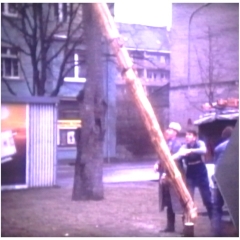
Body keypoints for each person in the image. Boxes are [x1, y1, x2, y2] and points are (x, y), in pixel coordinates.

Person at [172, 129, 213, 221]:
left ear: (195, 137)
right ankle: (188, 225)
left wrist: (190, 151)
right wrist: (168, 159)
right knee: (188, 199)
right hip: (190, 172)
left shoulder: (200, 143)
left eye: (189, 134)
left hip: (201, 171)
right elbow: (178, 155)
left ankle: (214, 222)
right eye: (186, 135)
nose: (187, 136)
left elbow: (204, 150)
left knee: (207, 199)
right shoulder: (184, 146)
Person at [154, 122, 184, 233]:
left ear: (175, 133)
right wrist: (157, 163)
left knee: (177, 202)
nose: (168, 131)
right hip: (165, 176)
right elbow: (162, 157)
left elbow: (174, 161)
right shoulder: (166, 143)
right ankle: (170, 226)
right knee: (168, 202)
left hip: (173, 177)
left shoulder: (177, 145)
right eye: (168, 129)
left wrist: (167, 173)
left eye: (170, 130)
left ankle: (187, 227)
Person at [211, 126, 233, 237]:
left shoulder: (218, 148)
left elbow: (216, 165)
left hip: (219, 179)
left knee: (217, 207)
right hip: (233, 181)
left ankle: (217, 232)